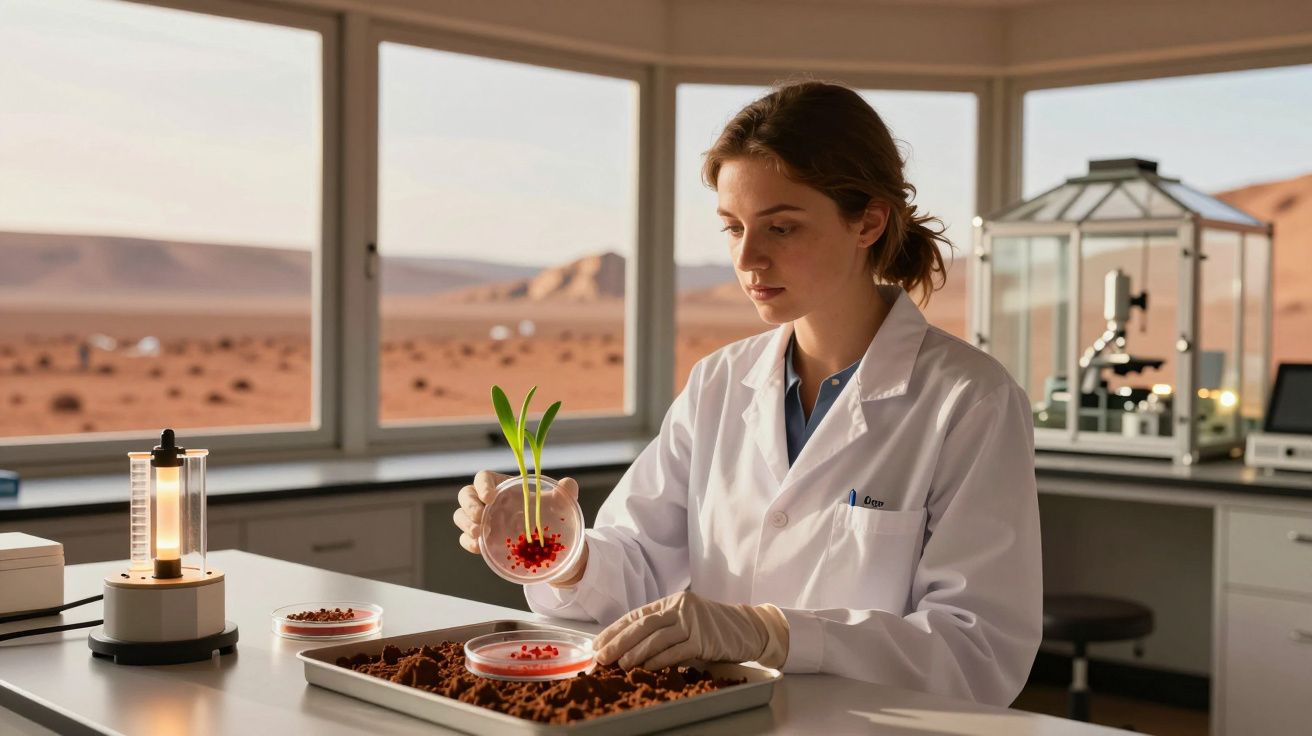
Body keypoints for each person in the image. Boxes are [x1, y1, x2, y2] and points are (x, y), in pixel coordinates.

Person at [453, 81, 1041, 706]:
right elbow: (639, 561)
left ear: (869, 221)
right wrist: (565, 553)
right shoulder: (718, 382)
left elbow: (976, 650)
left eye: (781, 227)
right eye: (733, 228)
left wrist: (774, 634)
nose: (748, 257)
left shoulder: (969, 400)